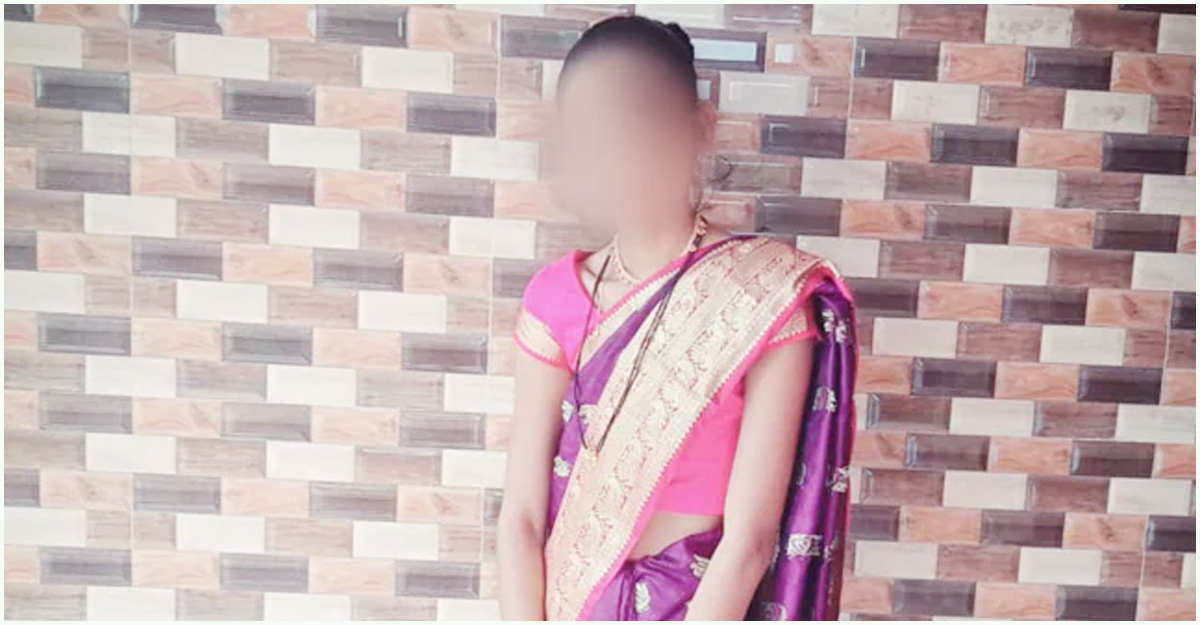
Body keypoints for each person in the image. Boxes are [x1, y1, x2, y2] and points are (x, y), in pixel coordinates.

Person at [497, 15, 858, 622]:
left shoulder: (761, 297)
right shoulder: (555, 298)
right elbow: (522, 520)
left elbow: (750, 541)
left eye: (640, 125)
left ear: (699, 129)